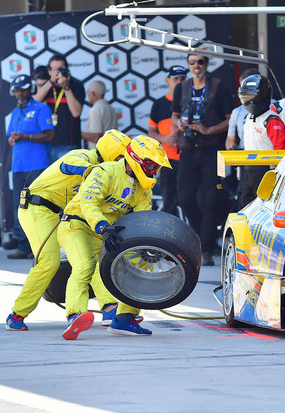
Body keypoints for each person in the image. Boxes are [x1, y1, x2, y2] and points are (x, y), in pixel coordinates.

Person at [5, 130, 131, 332]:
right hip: (37, 209)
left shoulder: (106, 172)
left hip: (60, 215)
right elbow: (67, 165)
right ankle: (16, 315)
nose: (123, 164)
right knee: (49, 261)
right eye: (120, 158)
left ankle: (109, 308)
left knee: (92, 257)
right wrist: (91, 171)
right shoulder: (82, 156)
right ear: (110, 152)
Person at [55, 135, 170, 339]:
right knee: (85, 265)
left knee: (135, 266)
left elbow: (140, 219)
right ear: (135, 159)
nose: (153, 172)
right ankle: (75, 316)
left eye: (156, 168)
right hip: (76, 225)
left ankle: (124, 319)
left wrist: (147, 243)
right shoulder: (104, 171)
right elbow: (88, 203)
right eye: (151, 166)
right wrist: (102, 226)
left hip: (109, 233)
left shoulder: (143, 190)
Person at [171, 54, 233, 267]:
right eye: (192, 62)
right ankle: (200, 237)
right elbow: (174, 115)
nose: (196, 66)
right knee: (184, 198)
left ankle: (205, 249)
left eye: (200, 62)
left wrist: (208, 130)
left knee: (208, 201)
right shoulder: (182, 87)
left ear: (207, 64)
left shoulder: (219, 87)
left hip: (211, 149)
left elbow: (229, 119)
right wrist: (179, 123)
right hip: (188, 149)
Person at [6, 74, 55, 260]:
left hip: (37, 165)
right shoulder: (16, 111)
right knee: (20, 208)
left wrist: (25, 137)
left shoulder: (41, 108)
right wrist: (13, 138)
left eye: (22, 89)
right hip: (18, 166)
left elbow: (49, 135)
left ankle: (39, 248)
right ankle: (23, 246)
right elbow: (12, 135)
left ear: (30, 89)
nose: (19, 93)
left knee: (38, 207)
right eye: (17, 90)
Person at [238, 74, 285, 208]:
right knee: (244, 206)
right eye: (247, 98)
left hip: (267, 171)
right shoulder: (247, 118)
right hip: (248, 169)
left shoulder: (271, 120)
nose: (251, 101)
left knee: (264, 207)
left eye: (255, 97)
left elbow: (281, 150)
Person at [148, 66, 187, 217]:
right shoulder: (159, 104)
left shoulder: (190, 101)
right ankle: (170, 236)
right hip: (167, 160)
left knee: (188, 200)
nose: (179, 82)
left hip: (188, 158)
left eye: (182, 79)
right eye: (175, 79)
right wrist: (165, 138)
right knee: (168, 200)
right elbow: (151, 132)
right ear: (167, 80)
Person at [33, 55, 85, 162]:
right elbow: (34, 104)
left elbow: (76, 112)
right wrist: (51, 82)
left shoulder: (76, 85)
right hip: (47, 143)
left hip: (68, 144)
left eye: (61, 69)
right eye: (54, 70)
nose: (58, 73)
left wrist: (66, 86)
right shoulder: (47, 85)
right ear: (49, 71)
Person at [225, 68, 259, 151]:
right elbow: (230, 138)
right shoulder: (237, 112)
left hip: (269, 158)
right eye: (243, 88)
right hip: (246, 158)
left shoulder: (275, 106)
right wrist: (232, 149)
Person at [81, 80, 118, 150]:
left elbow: (96, 137)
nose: (87, 95)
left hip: (99, 154)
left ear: (93, 94)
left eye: (88, 92)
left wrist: (78, 133)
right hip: (111, 151)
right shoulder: (111, 108)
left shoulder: (95, 110)